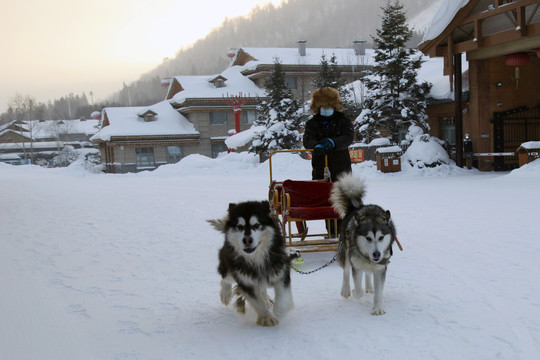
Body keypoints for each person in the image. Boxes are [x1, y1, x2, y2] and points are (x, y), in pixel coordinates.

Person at [303, 87, 354, 181]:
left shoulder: (343, 121)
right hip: (320, 167)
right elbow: (308, 139)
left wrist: (334, 142)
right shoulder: (312, 123)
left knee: (342, 194)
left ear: (334, 107)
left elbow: (348, 137)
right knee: (320, 193)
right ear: (318, 108)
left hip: (341, 168)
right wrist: (315, 145)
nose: (326, 110)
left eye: (329, 107)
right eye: (323, 107)